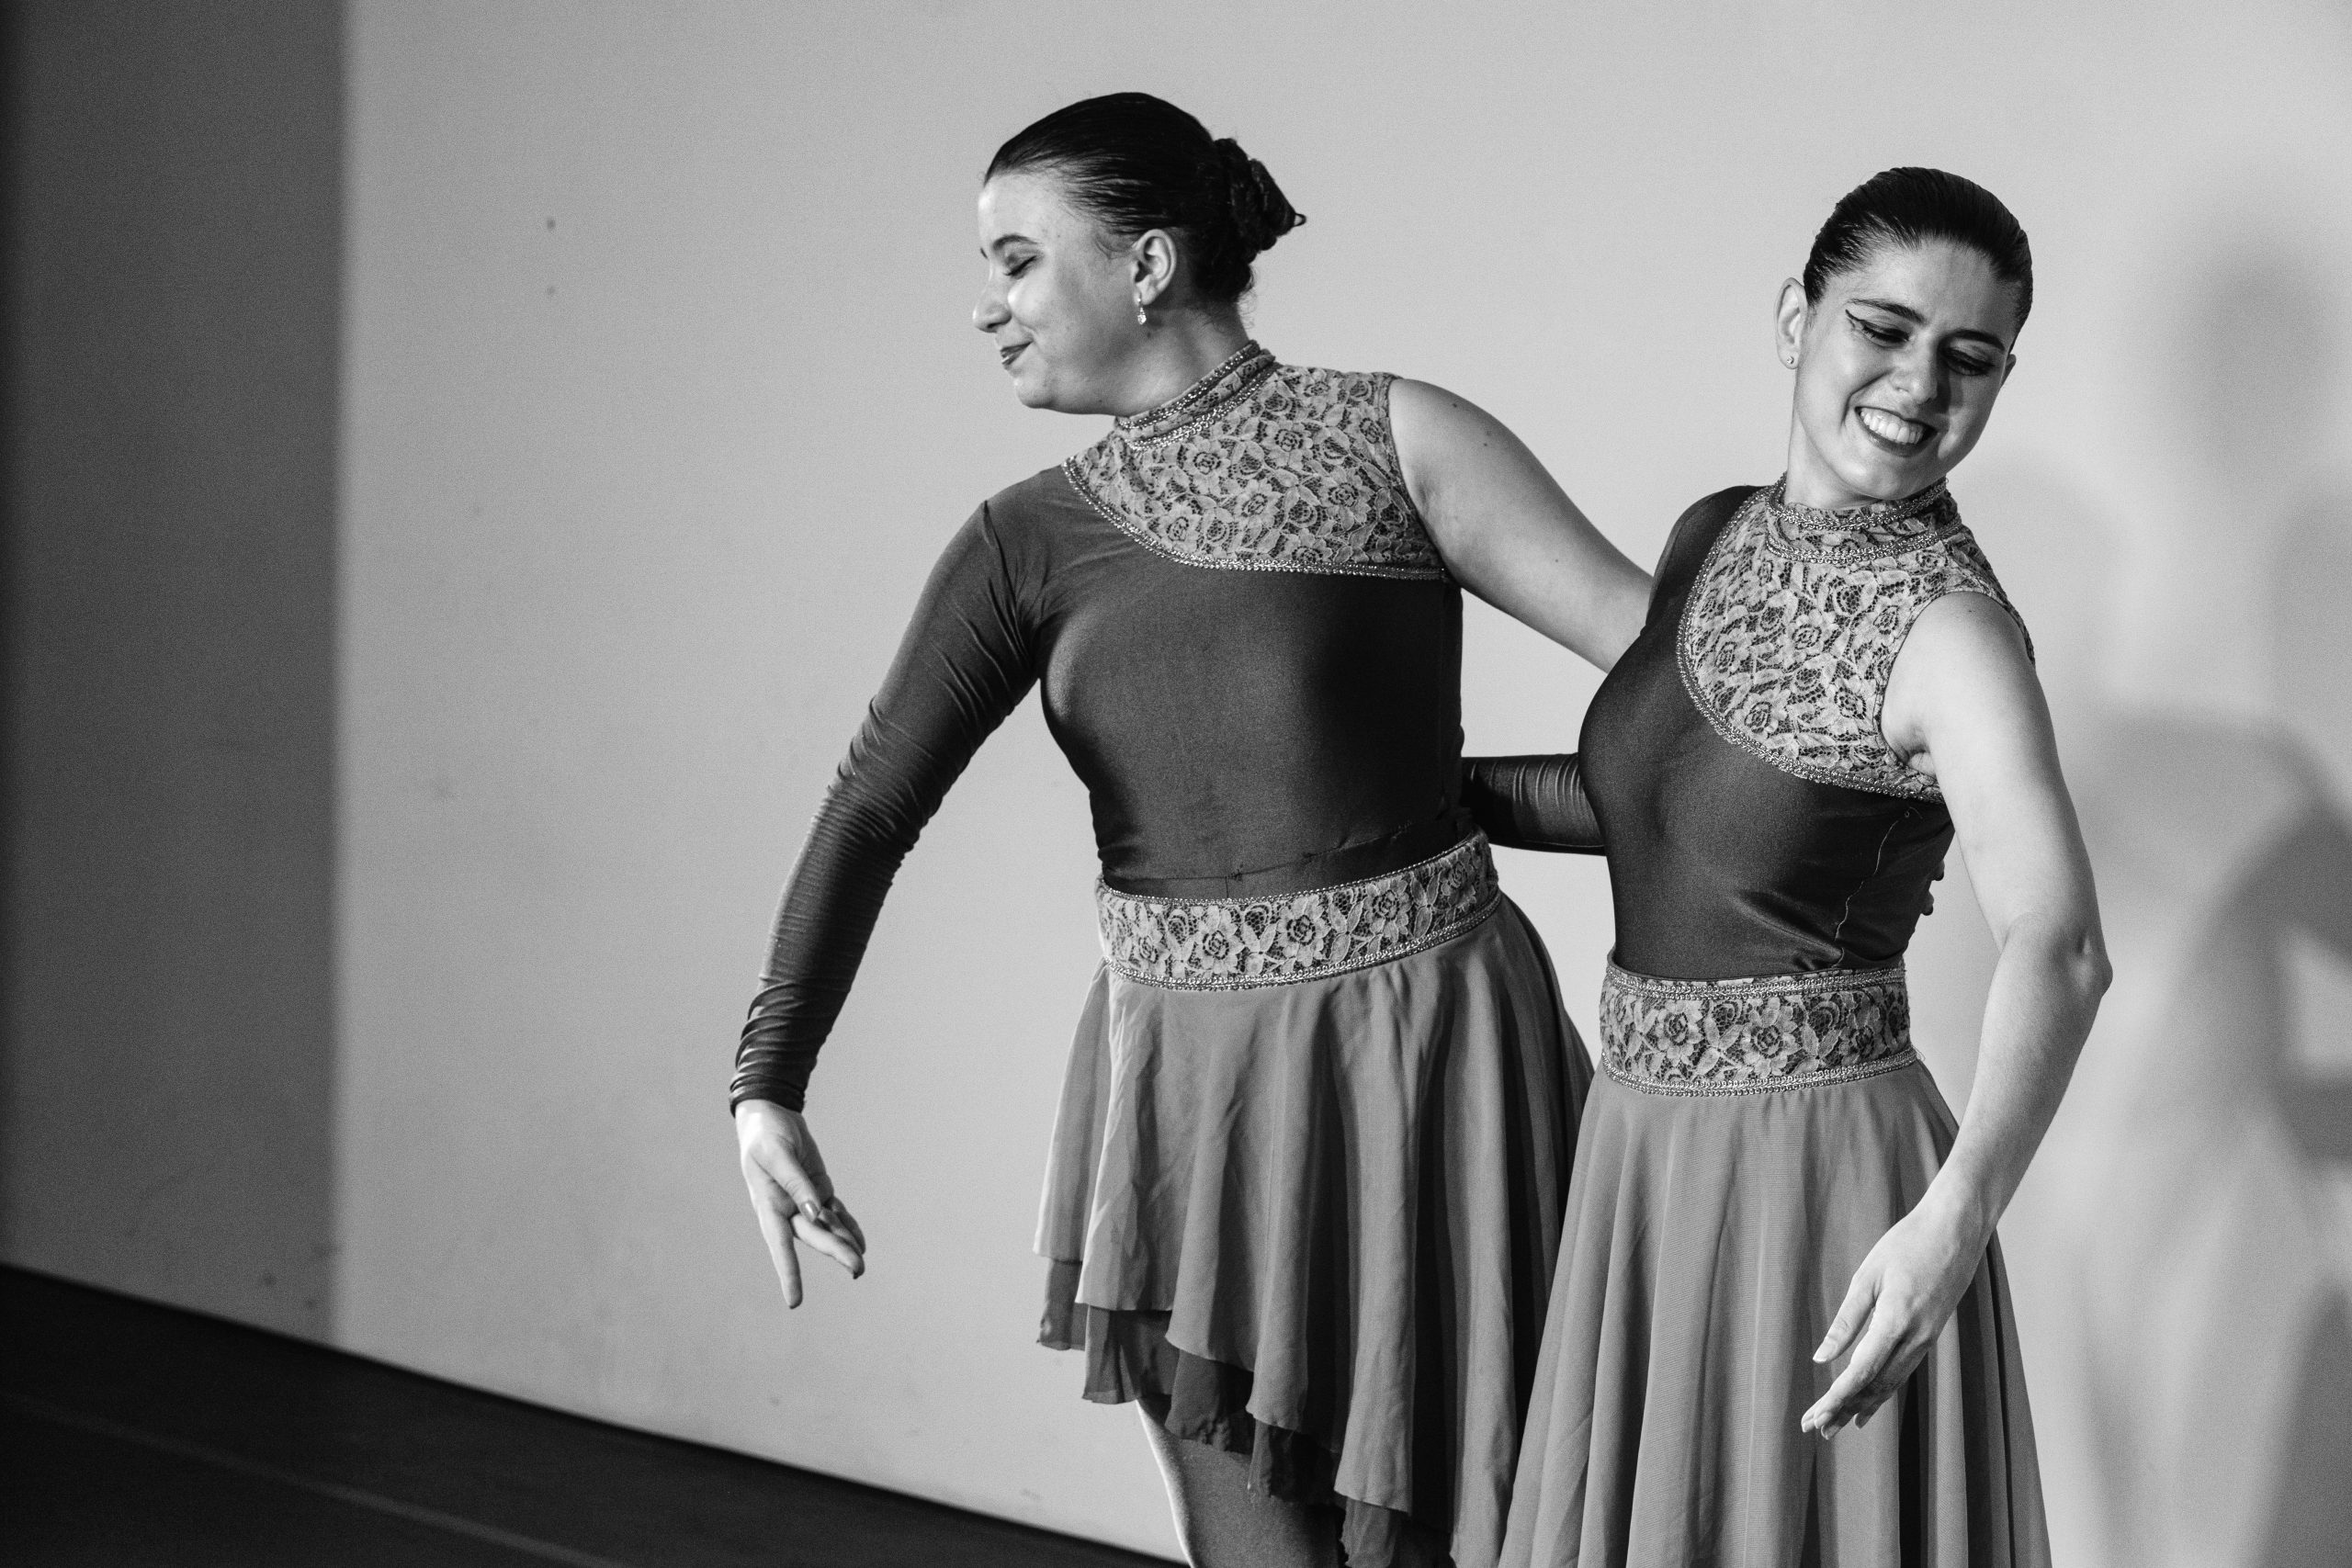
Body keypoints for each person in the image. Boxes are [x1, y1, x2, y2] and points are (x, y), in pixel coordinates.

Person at [729, 94, 1648, 1568]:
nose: (987, 308)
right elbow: (872, 805)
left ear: (1148, 264)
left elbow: (1690, 718)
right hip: (1188, 1091)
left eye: (1018, 262)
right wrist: (765, 1083)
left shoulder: (1396, 438)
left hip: (1435, 1056)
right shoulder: (1023, 539)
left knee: (1461, 1533)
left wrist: (1456, 810)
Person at [1472, 168, 2109, 1566]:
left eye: (1970, 356)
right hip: (1641, 1145)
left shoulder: (1955, 636)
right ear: (1793, 319)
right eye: (1883, 328)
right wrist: (1415, 797)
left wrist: (1955, 1221)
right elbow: (1659, 808)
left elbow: (2060, 943)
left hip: (1817, 1179)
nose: (1919, 384)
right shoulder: (1713, 532)